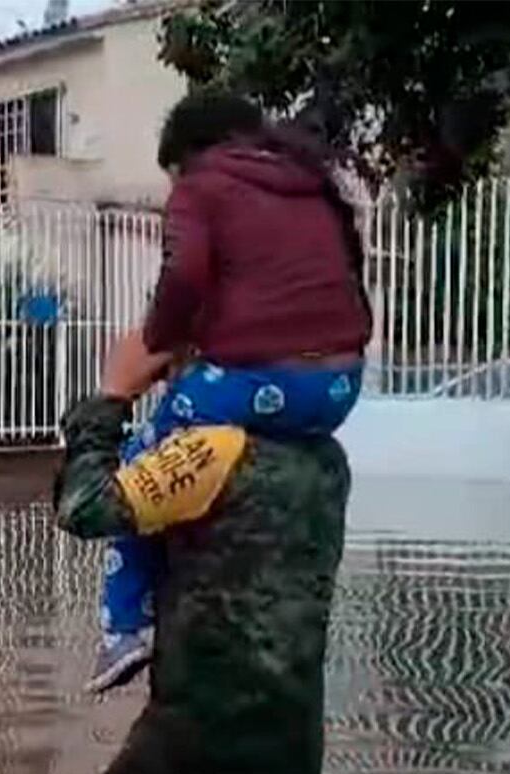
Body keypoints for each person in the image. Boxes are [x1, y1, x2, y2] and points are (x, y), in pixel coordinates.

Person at [87, 89, 373, 693]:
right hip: (338, 389)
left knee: (142, 458)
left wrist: (154, 346)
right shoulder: (312, 187)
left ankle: (122, 628)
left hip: (260, 384)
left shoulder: (203, 185)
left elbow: (186, 273)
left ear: (189, 154)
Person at [54, 329, 350, 774]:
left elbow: (85, 507)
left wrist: (113, 395)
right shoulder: (328, 462)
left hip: (197, 742)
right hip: (291, 754)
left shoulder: (212, 451)